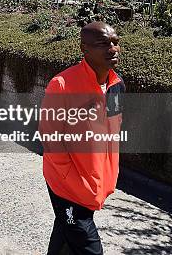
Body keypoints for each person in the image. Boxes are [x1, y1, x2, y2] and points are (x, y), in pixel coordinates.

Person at [39, 22, 124, 255]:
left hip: (96, 181)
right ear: (84, 49)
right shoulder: (63, 85)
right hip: (67, 185)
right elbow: (50, 138)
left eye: (115, 42)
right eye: (103, 44)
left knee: (65, 232)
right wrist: (74, 180)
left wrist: (109, 173)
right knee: (89, 247)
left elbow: (113, 131)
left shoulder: (116, 85)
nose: (113, 49)